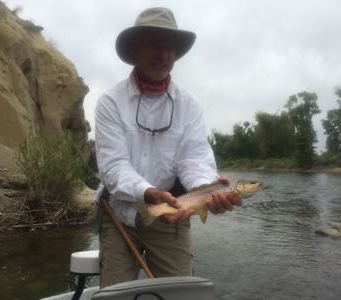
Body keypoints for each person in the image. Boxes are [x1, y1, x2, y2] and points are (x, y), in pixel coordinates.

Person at [94, 7, 241, 288]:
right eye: (154, 44)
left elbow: (194, 158)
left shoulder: (190, 105)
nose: (162, 54)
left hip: (173, 215)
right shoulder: (110, 102)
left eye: (169, 47)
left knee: (179, 294)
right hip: (119, 215)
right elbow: (114, 167)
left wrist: (209, 188)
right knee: (114, 294)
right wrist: (147, 193)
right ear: (136, 49)